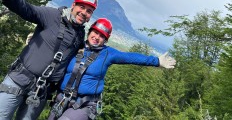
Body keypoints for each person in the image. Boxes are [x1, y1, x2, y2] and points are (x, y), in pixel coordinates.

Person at [0, 0, 98, 120]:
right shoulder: (51, 16)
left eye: (89, 11)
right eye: (81, 7)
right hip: (19, 79)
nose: (84, 12)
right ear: (74, 5)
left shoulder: (80, 36)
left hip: (41, 92)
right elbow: (25, 9)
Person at [48, 18, 176, 120]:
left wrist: (157, 61)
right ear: (90, 31)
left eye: (101, 36)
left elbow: (130, 57)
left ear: (105, 40)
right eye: (95, 32)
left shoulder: (108, 54)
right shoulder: (76, 45)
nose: (96, 37)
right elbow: (58, 46)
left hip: (84, 105)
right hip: (62, 99)